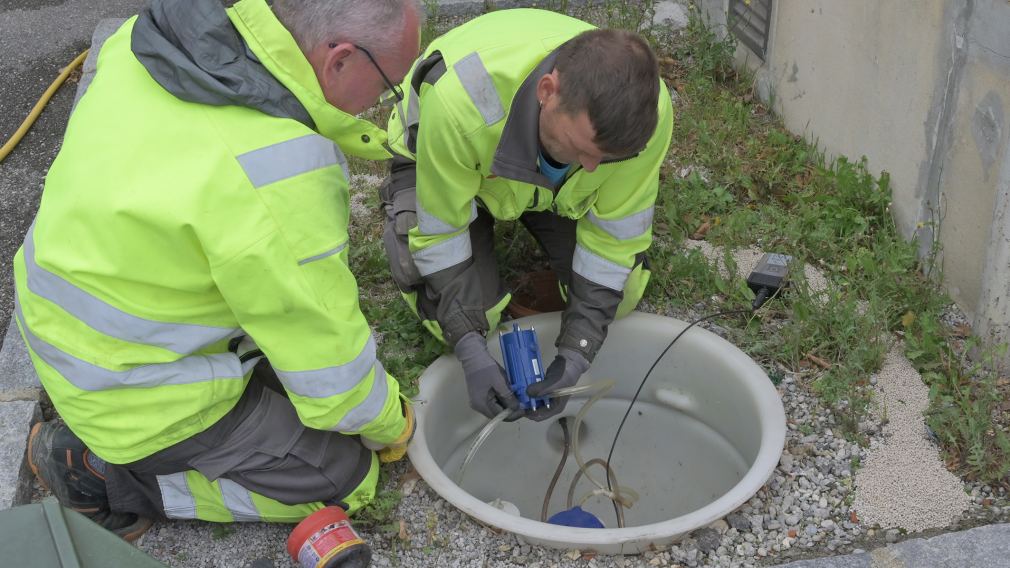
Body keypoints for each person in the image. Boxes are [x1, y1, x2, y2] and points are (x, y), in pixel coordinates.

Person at [14, 0, 422, 541]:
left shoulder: (160, 38)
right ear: (340, 59)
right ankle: (102, 475)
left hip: (68, 327)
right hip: (136, 389)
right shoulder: (279, 169)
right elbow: (333, 376)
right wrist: (395, 422)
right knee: (345, 477)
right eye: (388, 86)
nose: (380, 105)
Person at [380, 9, 673, 421]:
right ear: (547, 91)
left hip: (544, 185)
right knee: (457, 316)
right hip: (452, 164)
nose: (591, 168)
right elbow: (441, 234)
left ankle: (542, 190)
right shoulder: (462, 106)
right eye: (582, 148)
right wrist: (469, 347)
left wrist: (576, 354)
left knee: (620, 298)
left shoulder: (648, 114)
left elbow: (615, 240)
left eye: (606, 159)